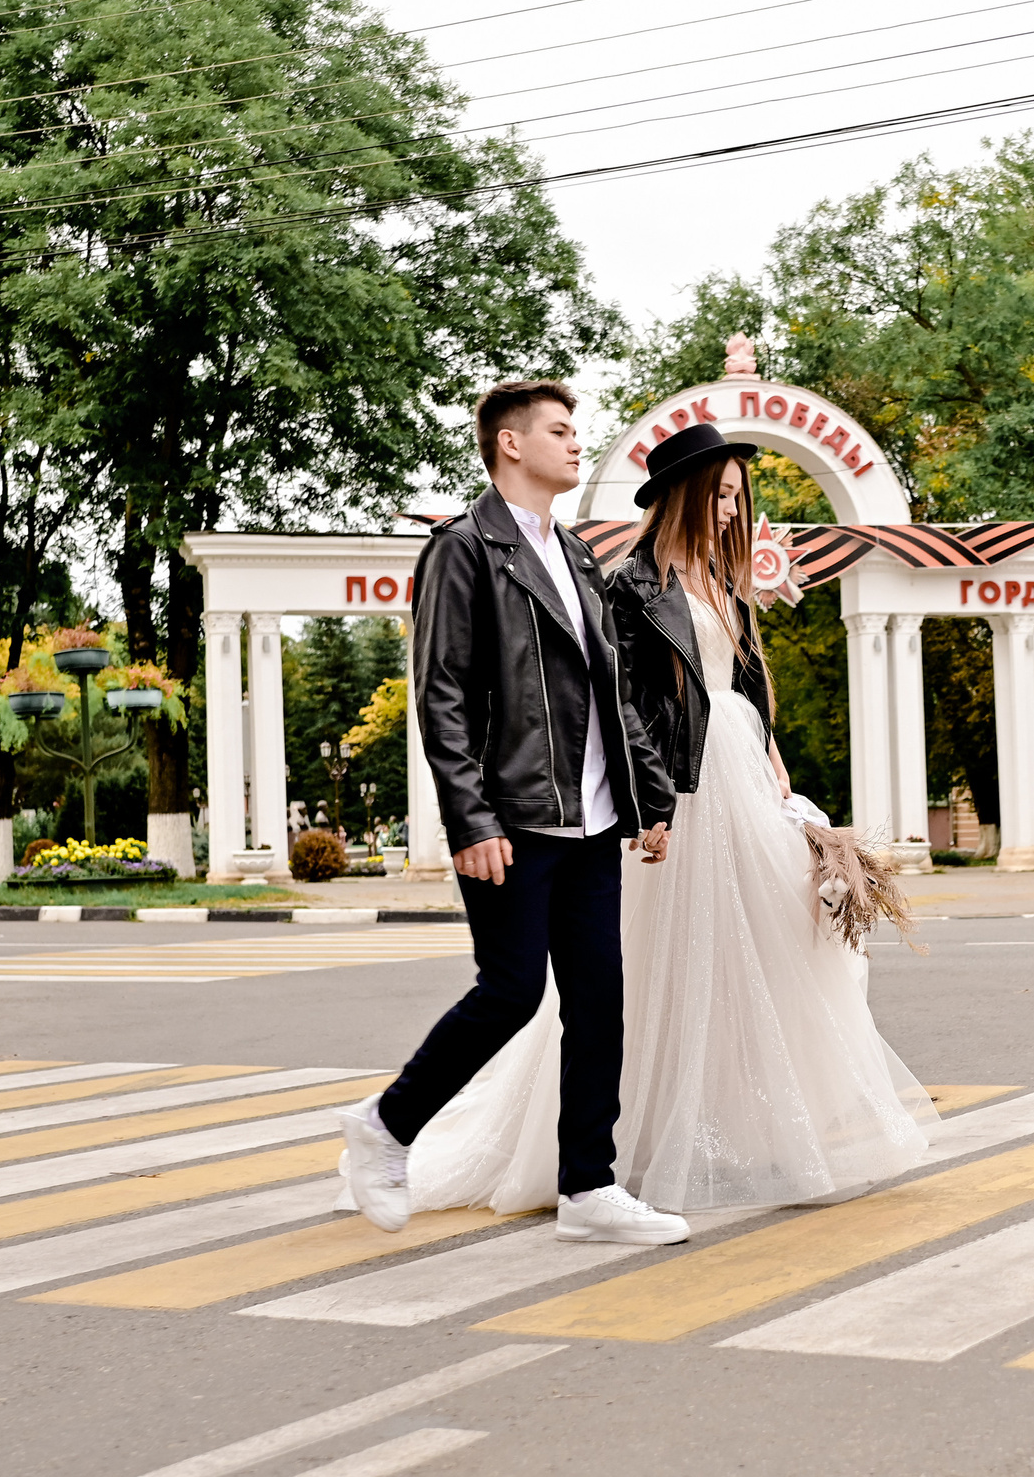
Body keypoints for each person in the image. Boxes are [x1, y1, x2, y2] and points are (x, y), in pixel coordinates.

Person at [365, 420, 935, 1222]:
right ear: (686, 495)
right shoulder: (630, 583)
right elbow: (623, 704)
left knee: (770, 953)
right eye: (723, 495)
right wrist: (652, 801)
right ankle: (609, 1157)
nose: (735, 512)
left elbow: (747, 698)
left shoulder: (725, 584)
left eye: (741, 497)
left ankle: (738, 1132)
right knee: (657, 970)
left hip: (743, 779)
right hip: (684, 787)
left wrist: (785, 788)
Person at [335, 380, 688, 1246]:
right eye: (561, 432)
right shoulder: (463, 549)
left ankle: (588, 1189)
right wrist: (471, 818)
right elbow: (441, 694)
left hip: (594, 821)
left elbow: (613, 695)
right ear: (510, 445)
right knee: (511, 990)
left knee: (598, 1003)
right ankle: (386, 1125)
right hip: (517, 816)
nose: (577, 445)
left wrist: (647, 797)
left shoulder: (576, 558)